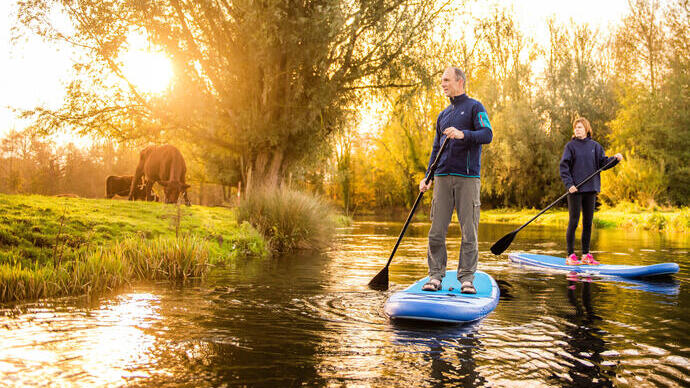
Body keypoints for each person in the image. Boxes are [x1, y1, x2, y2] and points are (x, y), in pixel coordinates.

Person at [419, 67, 493, 293]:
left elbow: (487, 134)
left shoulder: (475, 107)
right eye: (442, 80)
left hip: (467, 178)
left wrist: (464, 134)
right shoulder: (442, 115)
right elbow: (435, 149)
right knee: (436, 231)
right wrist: (427, 176)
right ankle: (435, 276)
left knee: (469, 230)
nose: (442, 84)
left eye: (446, 80)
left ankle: (467, 279)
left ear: (459, 82)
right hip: (441, 178)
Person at [559, 117, 622, 265]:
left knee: (588, 223)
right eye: (575, 128)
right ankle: (570, 256)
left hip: (591, 189)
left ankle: (586, 255)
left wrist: (615, 159)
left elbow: (603, 164)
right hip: (575, 190)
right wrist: (569, 185)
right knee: (573, 222)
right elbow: (564, 167)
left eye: (580, 127)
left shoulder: (595, 146)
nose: (577, 130)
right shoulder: (570, 147)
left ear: (587, 129)